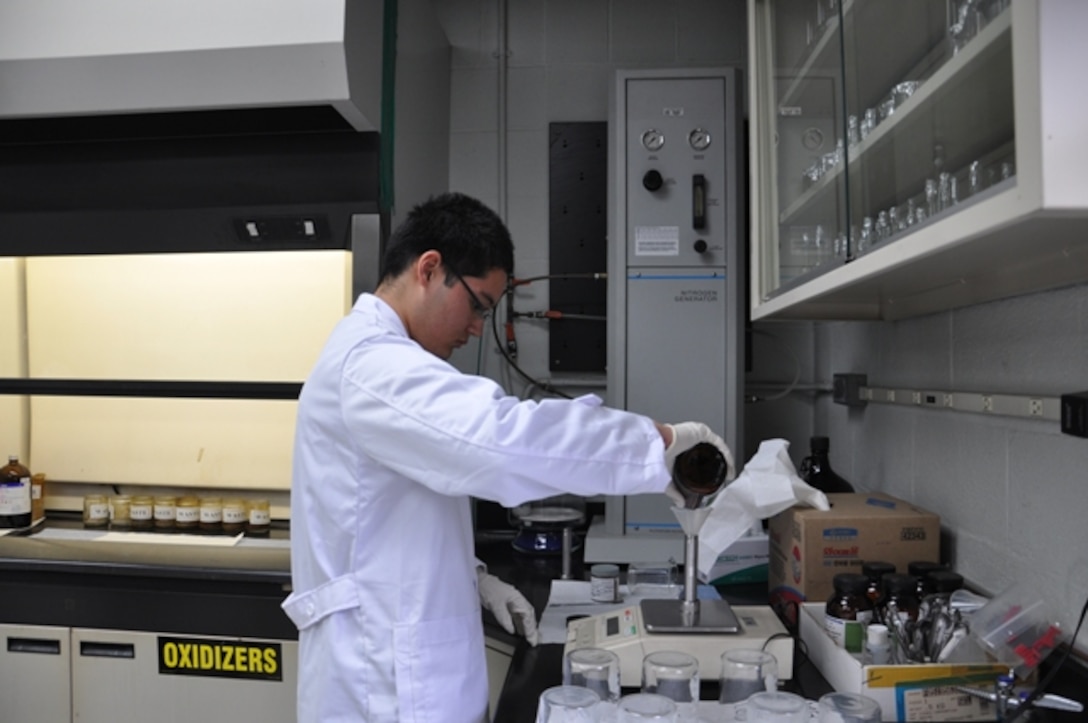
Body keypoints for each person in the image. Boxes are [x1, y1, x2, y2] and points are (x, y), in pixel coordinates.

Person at [282, 192, 733, 722]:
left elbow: (385, 523)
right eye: (478, 304)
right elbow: (499, 444)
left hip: (399, 674)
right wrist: (659, 445)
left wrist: (469, 577)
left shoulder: (379, 361)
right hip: (382, 691)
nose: (477, 328)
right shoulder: (372, 367)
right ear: (430, 268)